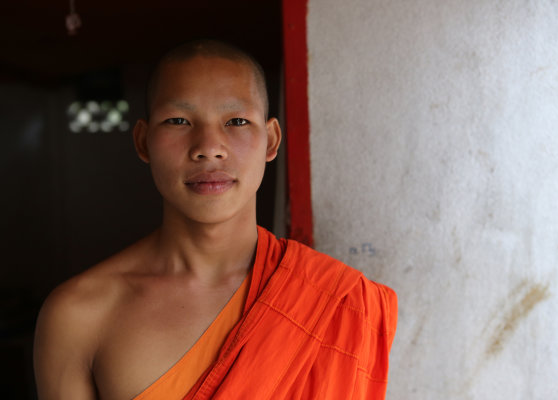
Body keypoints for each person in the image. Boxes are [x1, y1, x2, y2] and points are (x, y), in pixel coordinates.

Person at [33, 40, 397, 400]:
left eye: (236, 121)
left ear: (271, 141)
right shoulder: (79, 315)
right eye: (178, 120)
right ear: (143, 142)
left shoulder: (338, 302)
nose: (208, 146)